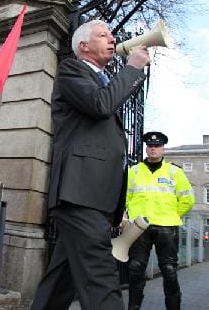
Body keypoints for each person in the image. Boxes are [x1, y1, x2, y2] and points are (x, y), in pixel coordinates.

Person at [31, 20, 150, 310]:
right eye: (103, 35)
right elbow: (100, 105)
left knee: (62, 279)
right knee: (100, 278)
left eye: (112, 35)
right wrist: (132, 68)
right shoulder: (72, 70)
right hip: (79, 192)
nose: (112, 39)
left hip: (93, 196)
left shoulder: (102, 79)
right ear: (83, 46)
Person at [126, 131, 194, 310]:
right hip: (139, 227)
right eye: (150, 146)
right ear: (146, 149)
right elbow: (125, 197)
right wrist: (129, 217)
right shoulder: (134, 171)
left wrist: (172, 215)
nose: (153, 149)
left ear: (163, 148)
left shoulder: (174, 172)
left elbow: (188, 199)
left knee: (170, 271)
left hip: (167, 227)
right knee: (134, 269)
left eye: (156, 146)